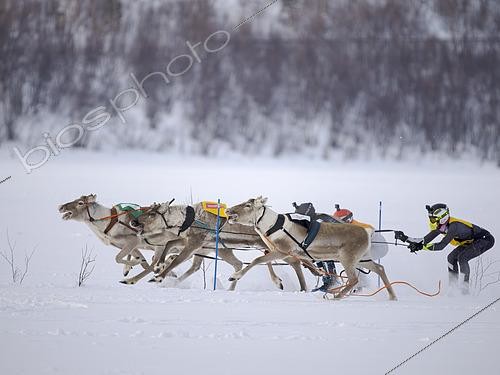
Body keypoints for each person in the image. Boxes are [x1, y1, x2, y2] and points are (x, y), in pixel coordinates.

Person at [395, 203, 495, 294]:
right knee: (451, 258)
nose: (432, 221)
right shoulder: (442, 226)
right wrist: (404, 238)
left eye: (433, 219)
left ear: (442, 217)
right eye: (430, 218)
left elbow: (441, 246)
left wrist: (421, 247)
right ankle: (453, 288)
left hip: (485, 240)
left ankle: (465, 291)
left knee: (462, 257)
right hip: (470, 241)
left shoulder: (454, 227)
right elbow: (423, 240)